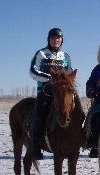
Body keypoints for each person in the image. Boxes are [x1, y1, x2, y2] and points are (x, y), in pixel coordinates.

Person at [29, 27, 73, 160]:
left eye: (58, 38)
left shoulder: (65, 56)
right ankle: (35, 147)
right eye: (53, 38)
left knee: (74, 112)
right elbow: (33, 71)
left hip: (62, 93)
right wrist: (49, 78)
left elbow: (69, 73)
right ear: (49, 39)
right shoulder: (41, 54)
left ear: (62, 40)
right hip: (45, 92)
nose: (56, 40)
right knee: (40, 116)